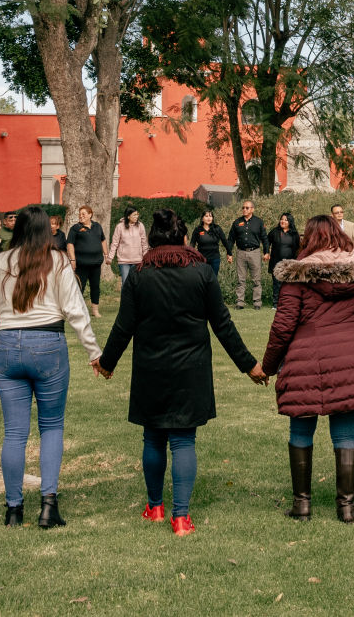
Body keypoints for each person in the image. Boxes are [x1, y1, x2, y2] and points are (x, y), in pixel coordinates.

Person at [97, 209, 263, 537]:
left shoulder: (141, 274)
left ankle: (156, 507)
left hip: (151, 367)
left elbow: (123, 326)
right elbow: (222, 324)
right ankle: (182, 518)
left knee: (154, 437)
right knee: (184, 440)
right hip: (191, 367)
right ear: (183, 238)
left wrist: (107, 362)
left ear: (152, 239)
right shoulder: (200, 271)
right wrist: (249, 365)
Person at [259, 215, 354, 523]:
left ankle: (302, 505)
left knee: (301, 428)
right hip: (352, 357)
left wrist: (267, 367)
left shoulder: (298, 275)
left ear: (308, 239)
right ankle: (346, 508)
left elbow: (283, 327)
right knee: (345, 431)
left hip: (305, 358)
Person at [0, 204, 101, 529]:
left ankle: (14, 509)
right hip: (47, 345)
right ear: (47, 231)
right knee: (51, 427)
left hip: (7, 345)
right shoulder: (56, 261)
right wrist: (93, 351)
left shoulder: (1, 261)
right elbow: (75, 311)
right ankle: (48, 504)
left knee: (14, 432)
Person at [67, 205, 107, 319]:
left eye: (83, 214)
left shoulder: (97, 226)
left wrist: (106, 254)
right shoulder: (75, 228)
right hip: (81, 264)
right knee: (79, 287)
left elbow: (103, 240)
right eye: (80, 214)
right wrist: (73, 259)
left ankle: (95, 311)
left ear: (90, 214)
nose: (81, 216)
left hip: (96, 264)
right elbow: (70, 244)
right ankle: (75, 311)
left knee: (95, 287)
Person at [229, 201, 267, 310]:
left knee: (256, 279)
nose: (244, 209)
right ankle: (240, 303)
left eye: (247, 207)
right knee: (240, 279)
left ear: (252, 209)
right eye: (243, 207)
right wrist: (229, 253)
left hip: (254, 252)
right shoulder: (237, 222)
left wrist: (266, 252)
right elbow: (231, 239)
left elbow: (264, 238)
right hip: (241, 253)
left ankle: (257, 303)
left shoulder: (258, 222)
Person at [110, 207, 148, 285]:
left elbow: (144, 243)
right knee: (126, 283)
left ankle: (136, 298)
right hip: (124, 261)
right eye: (134, 215)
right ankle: (125, 297)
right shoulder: (119, 227)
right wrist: (110, 257)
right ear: (128, 216)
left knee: (137, 283)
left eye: (137, 214)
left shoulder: (140, 226)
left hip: (138, 260)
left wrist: (146, 257)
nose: (136, 216)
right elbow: (114, 243)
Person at [190, 212, 226, 276]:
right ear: (202, 219)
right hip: (201, 259)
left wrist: (229, 253)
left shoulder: (217, 228)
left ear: (212, 218)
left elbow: (224, 241)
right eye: (206, 216)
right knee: (203, 278)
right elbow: (192, 243)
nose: (209, 218)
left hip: (215, 258)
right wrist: (190, 256)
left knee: (213, 278)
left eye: (210, 216)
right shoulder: (198, 230)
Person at [266, 212, 300, 281]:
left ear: (290, 222)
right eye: (281, 219)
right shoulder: (275, 232)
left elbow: (298, 248)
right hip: (276, 264)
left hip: (289, 264)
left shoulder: (294, 234)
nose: (283, 221)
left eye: (285, 220)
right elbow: (266, 242)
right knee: (277, 285)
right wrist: (267, 252)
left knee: (288, 285)